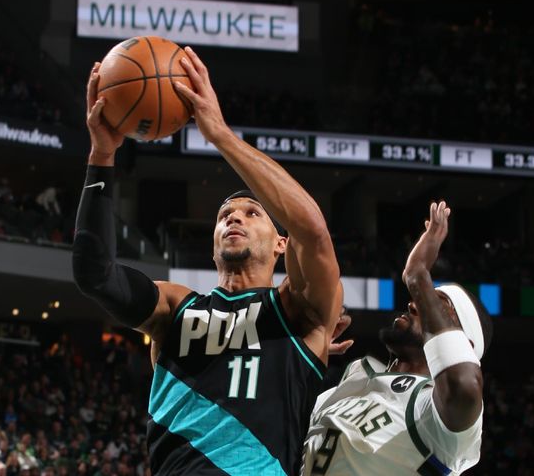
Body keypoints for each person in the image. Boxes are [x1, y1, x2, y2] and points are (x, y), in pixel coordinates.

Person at [73, 46, 343, 475]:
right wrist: (102, 156)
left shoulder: (298, 311)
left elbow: (312, 229)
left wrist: (218, 134)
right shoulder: (175, 308)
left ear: (280, 245)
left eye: (253, 213)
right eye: (224, 216)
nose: (235, 215)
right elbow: (96, 276)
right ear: (213, 242)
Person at [301, 201, 493, 475]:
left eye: (436, 306)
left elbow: (463, 384)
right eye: (421, 299)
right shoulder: (349, 381)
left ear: (465, 344)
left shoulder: (437, 415)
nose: (415, 304)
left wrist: (418, 276)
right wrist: (299, 358)